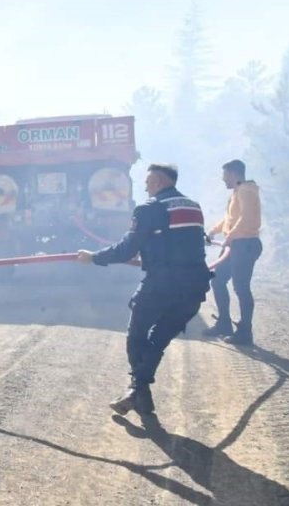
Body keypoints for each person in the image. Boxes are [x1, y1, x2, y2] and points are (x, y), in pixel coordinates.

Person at [77, 164, 211, 416]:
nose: (145, 186)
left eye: (148, 181)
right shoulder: (193, 206)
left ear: (160, 181)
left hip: (162, 285)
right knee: (158, 340)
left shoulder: (150, 208)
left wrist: (93, 257)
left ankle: (139, 392)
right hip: (194, 287)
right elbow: (179, 243)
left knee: (136, 335)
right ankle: (139, 393)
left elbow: (126, 249)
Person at [202, 159, 262, 345]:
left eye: (225, 175)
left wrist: (230, 237)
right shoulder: (238, 192)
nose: (223, 179)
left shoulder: (246, 191)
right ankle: (224, 323)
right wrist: (213, 231)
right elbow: (230, 218)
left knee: (241, 287)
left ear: (234, 174)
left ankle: (245, 332)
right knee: (218, 280)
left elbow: (245, 218)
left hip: (244, 245)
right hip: (236, 244)